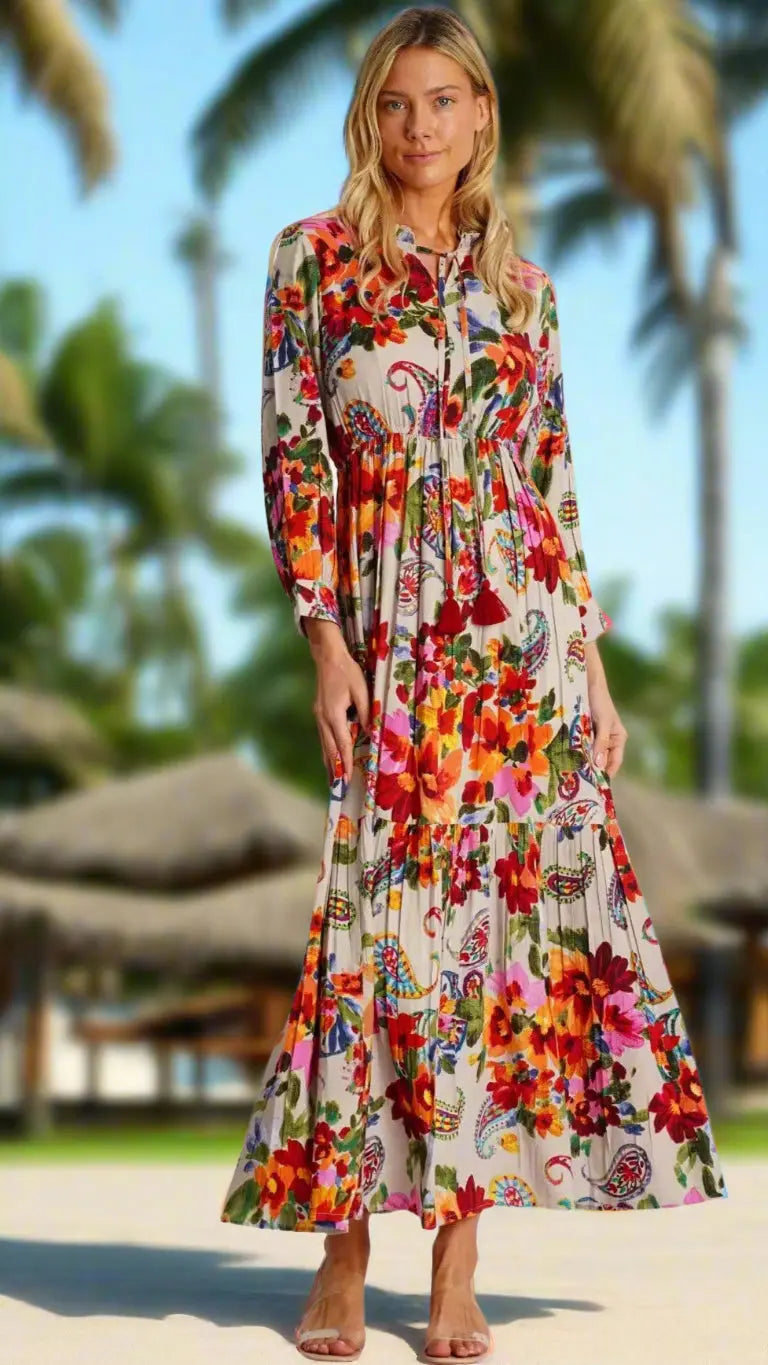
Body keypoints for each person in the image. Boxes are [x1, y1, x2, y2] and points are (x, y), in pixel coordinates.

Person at [220, 7, 729, 1360]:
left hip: (519, 666)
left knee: (499, 955)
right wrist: (323, 636)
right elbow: (293, 462)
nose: (421, 128)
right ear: (367, 119)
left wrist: (598, 673)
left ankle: (459, 1260)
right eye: (396, 103)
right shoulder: (312, 264)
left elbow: (551, 492)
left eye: (445, 102)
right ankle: (344, 1246)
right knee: (377, 937)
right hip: (390, 647)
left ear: (483, 116)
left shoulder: (526, 294)